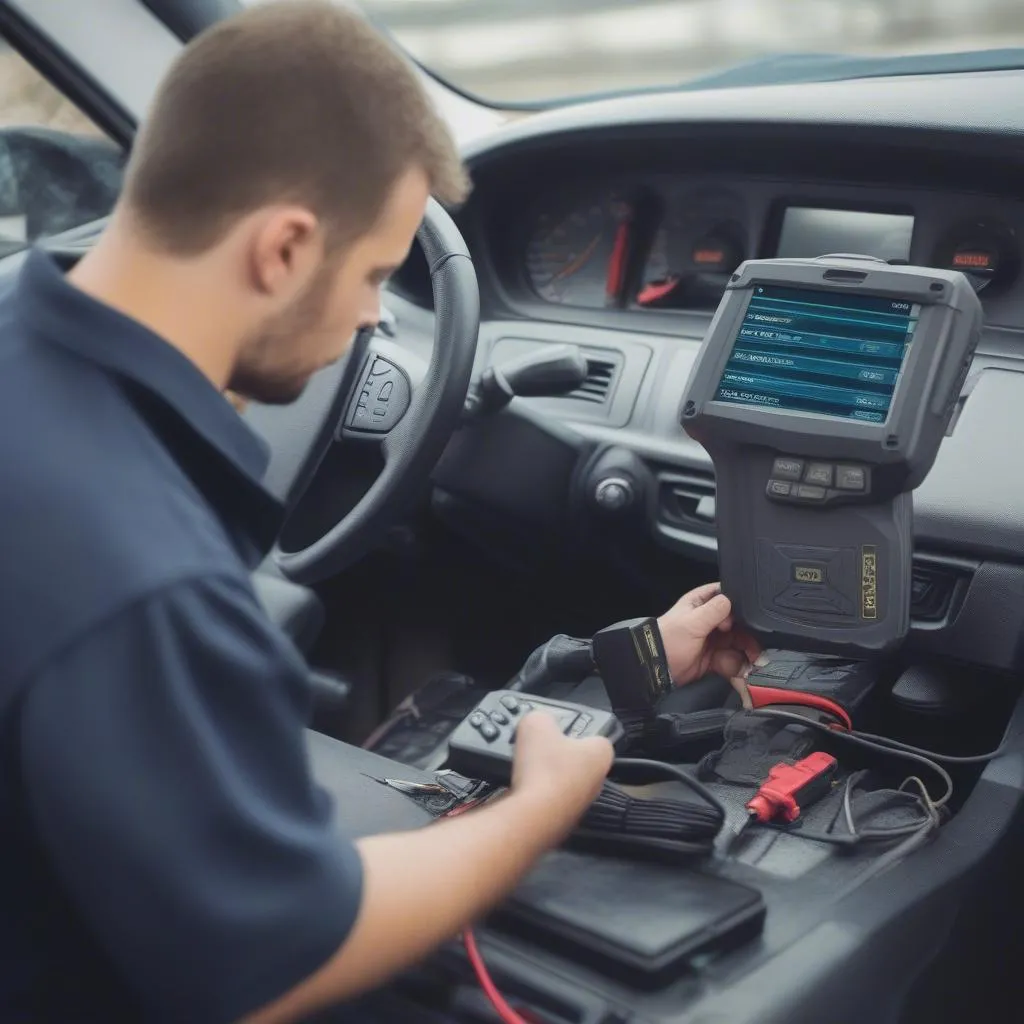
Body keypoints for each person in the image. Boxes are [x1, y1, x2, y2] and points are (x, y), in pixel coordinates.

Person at [0, 3, 759, 1022]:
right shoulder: (139, 571)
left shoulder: (31, 363)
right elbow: (277, 964)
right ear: (280, 249)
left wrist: (634, 662)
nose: (371, 319)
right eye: (367, 275)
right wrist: (540, 807)